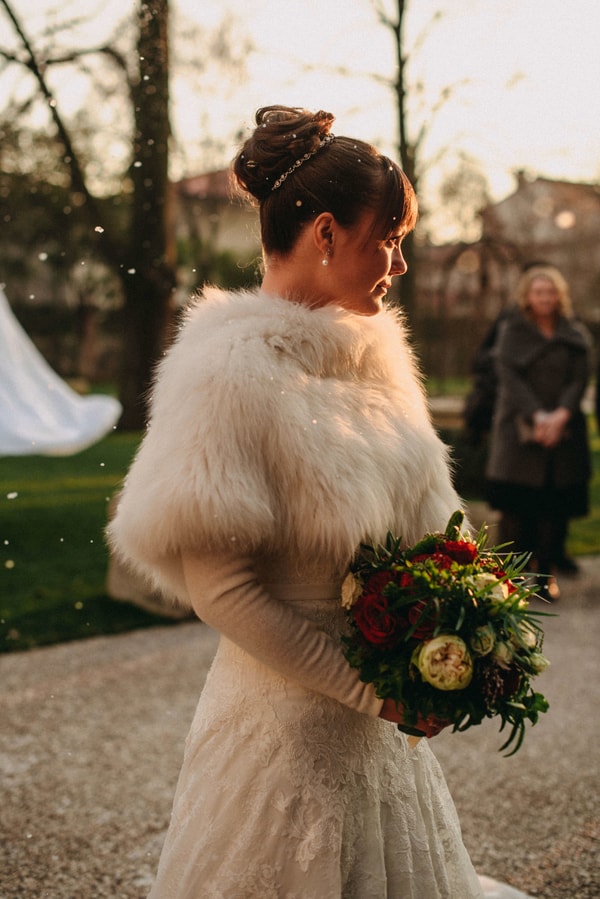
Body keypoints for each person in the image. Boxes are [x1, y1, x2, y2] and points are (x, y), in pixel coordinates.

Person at [109, 106, 526, 898]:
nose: (398, 265)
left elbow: (439, 539)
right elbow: (223, 591)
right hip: (281, 737)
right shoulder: (224, 371)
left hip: (382, 741)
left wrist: (469, 633)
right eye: (388, 238)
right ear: (328, 234)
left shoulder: (381, 357)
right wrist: (379, 690)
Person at [485, 264, 592, 598]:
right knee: (517, 509)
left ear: (559, 296)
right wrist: (538, 416)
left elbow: (579, 377)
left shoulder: (573, 333)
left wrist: (560, 416)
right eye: (539, 292)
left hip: (564, 433)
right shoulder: (512, 331)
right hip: (518, 433)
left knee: (554, 508)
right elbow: (510, 378)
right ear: (528, 297)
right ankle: (510, 580)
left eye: (551, 292)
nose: (546, 298)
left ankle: (547, 576)